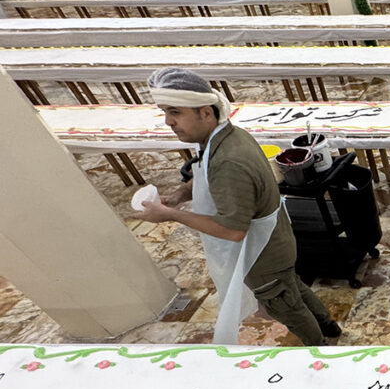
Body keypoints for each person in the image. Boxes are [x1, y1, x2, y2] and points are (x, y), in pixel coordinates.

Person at [131, 68, 340, 346]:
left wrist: (170, 214)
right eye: (165, 112)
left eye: (175, 112)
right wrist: (180, 194)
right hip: (277, 240)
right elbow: (206, 174)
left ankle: (319, 348)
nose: (168, 121)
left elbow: (232, 231)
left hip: (263, 253)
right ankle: (329, 326)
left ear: (206, 113)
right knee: (292, 289)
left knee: (286, 307)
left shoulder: (228, 161)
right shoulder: (225, 136)